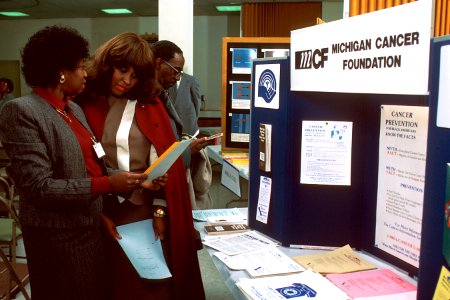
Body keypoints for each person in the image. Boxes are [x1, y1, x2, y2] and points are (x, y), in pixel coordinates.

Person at [0, 25, 151, 300]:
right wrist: (108, 184)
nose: (85, 73)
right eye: (80, 66)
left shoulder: (73, 109)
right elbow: (39, 187)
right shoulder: (22, 111)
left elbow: (95, 164)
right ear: (61, 72)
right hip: (57, 239)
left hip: (90, 227)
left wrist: (136, 179)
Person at [76, 32, 206, 300]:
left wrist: (160, 211)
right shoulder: (84, 104)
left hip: (142, 209)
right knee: (111, 285)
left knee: (152, 287)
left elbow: (163, 164)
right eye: (122, 70)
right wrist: (98, 211)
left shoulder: (150, 103)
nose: (127, 81)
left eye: (135, 75)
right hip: (99, 208)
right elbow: (79, 163)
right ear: (107, 65)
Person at [151, 40, 213, 210]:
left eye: (180, 72)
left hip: (182, 151)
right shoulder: (151, 98)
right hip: (159, 179)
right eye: (175, 70)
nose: (178, 76)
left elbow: (196, 108)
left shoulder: (189, 82)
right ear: (158, 64)